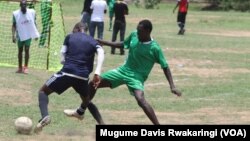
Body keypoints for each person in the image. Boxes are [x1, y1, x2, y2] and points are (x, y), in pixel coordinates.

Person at [64, 19, 182, 125]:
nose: (137, 32)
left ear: (147, 31)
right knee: (94, 83)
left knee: (141, 100)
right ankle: (81, 111)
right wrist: (104, 42)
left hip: (137, 77)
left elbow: (165, 67)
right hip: (123, 71)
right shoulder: (134, 35)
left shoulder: (155, 48)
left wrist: (172, 86)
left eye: (140, 31)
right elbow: (122, 45)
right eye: (137, 30)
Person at [33, 22, 105, 133]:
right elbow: (101, 52)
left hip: (67, 73)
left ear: (77, 28)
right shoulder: (92, 41)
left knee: (43, 91)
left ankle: (45, 116)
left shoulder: (70, 37)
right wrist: (97, 72)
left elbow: (62, 58)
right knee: (87, 100)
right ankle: (92, 119)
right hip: (82, 77)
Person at [12, 0, 40, 74]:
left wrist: (36, 34)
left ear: (26, 6)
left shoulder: (31, 12)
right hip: (20, 35)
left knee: (27, 50)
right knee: (20, 51)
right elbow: (14, 25)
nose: (24, 6)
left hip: (28, 35)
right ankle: (20, 68)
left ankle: (26, 67)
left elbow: (34, 23)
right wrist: (13, 35)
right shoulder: (16, 14)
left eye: (25, 5)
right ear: (20, 6)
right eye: (22, 5)